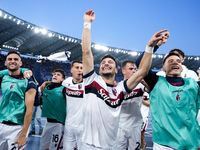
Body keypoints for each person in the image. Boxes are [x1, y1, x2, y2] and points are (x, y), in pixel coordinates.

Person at [81, 9, 169, 149]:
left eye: (110, 62)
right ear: (99, 69)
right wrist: (87, 24)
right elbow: (86, 51)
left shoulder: (120, 89)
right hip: (88, 145)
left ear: (116, 70)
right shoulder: (91, 81)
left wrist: (150, 46)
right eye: (103, 63)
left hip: (112, 146)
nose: (106, 63)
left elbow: (142, 72)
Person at [135, 43, 200, 149]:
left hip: (190, 143)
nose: (175, 62)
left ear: (182, 67)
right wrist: (153, 45)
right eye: (170, 61)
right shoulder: (156, 82)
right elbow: (140, 63)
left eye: (178, 61)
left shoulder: (193, 84)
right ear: (163, 68)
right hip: (164, 144)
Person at [0, 51, 37, 149]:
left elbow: (29, 109)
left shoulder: (28, 80)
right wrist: (25, 69)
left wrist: (23, 135)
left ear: (20, 63)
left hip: (17, 127)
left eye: (16, 59)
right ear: (5, 63)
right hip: (1, 124)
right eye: (10, 59)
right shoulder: (3, 77)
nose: (13, 61)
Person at [117, 60, 149, 150]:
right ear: (123, 71)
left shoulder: (140, 86)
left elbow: (149, 89)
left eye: (135, 69)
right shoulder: (118, 87)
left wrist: (145, 83)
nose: (134, 71)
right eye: (131, 69)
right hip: (120, 126)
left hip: (135, 125)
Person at [39, 69, 67, 150]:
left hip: (59, 124)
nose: (55, 75)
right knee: (43, 147)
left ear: (62, 79)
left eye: (58, 75)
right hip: (48, 123)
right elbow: (37, 76)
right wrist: (46, 82)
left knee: (53, 148)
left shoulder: (64, 89)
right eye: (54, 74)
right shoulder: (46, 87)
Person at [62, 60, 84, 150]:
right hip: (69, 126)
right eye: (77, 68)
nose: (79, 70)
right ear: (71, 70)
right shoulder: (67, 82)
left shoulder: (88, 84)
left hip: (84, 127)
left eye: (82, 68)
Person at [29, 60, 44, 136]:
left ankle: (41, 129)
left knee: (38, 118)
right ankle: (33, 130)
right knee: (31, 118)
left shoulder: (40, 81)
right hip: (32, 104)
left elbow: (37, 72)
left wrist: (38, 63)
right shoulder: (30, 82)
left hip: (39, 104)